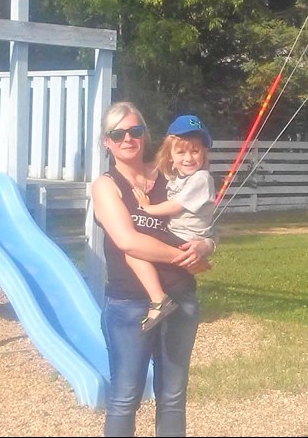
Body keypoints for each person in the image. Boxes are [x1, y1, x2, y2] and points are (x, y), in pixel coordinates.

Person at [91, 102, 215, 437]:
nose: (127, 138)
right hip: (130, 305)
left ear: (145, 135)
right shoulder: (106, 185)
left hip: (181, 298)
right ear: (107, 141)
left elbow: (200, 223)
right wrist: (184, 257)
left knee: (173, 397)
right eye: (118, 133)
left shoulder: (171, 177)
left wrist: (205, 246)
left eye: (135, 130)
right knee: (125, 398)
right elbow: (129, 242)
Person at [126, 114, 217, 334]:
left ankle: (159, 300)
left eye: (195, 151)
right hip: (180, 236)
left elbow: (175, 206)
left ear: (204, 153)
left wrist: (147, 208)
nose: (188, 158)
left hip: (185, 238)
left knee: (134, 250)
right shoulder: (178, 179)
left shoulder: (201, 178)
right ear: (171, 156)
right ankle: (160, 297)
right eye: (181, 152)